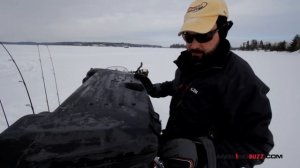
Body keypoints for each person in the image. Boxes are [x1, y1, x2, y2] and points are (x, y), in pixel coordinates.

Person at [135, 0, 274, 167]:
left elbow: (258, 148)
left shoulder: (240, 78)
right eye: (188, 36)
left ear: (222, 30)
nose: (193, 44)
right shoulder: (190, 63)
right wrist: (153, 89)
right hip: (170, 152)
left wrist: (201, 154)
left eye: (202, 35)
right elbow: (179, 86)